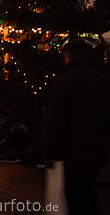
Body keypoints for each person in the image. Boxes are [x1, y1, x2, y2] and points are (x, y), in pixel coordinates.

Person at [45, 39, 110, 215]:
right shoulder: (101, 82)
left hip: (72, 150)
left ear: (68, 57)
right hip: (94, 149)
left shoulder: (64, 83)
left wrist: (52, 151)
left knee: (75, 196)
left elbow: (57, 120)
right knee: (89, 193)